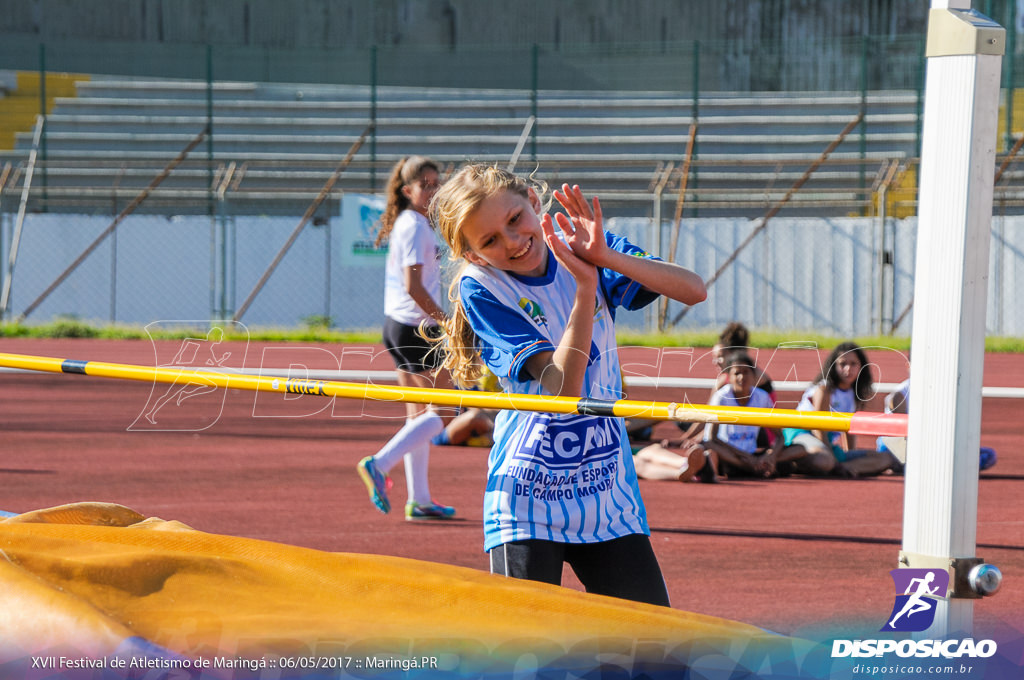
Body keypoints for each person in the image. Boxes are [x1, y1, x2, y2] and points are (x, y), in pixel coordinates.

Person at [431, 163, 706, 606]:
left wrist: (605, 259)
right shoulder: (482, 288)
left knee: (653, 645)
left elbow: (694, 290)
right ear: (474, 255)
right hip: (528, 498)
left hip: (607, 492)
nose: (514, 241)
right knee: (527, 655)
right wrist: (584, 291)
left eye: (516, 220)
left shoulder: (586, 247)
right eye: (490, 241)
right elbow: (561, 394)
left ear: (534, 204)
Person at [356, 156, 457, 521]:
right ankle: (379, 464)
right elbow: (414, 286)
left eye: (436, 183)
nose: (433, 190)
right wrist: (446, 322)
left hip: (398, 325)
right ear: (407, 190)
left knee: (418, 415)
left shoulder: (409, 222)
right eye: (426, 184)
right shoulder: (414, 226)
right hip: (417, 327)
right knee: (445, 409)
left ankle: (420, 499)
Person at [781, 342, 899, 478]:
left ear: (862, 367)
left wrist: (850, 456)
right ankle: (790, 462)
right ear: (834, 366)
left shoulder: (853, 393)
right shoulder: (824, 389)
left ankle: (842, 468)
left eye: (853, 364)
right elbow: (817, 427)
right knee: (824, 460)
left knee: (887, 459)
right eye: (842, 364)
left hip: (827, 445)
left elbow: (848, 429)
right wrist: (830, 454)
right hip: (802, 435)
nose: (848, 369)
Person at [702, 350, 806, 478]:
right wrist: (747, 458)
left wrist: (770, 456)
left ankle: (761, 465)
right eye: (737, 373)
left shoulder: (762, 397)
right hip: (731, 455)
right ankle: (752, 468)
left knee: (800, 449)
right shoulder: (721, 397)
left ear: (753, 375)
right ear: (729, 376)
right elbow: (711, 439)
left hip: (753, 455)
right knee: (708, 448)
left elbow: (780, 436)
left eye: (746, 372)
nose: (742, 377)